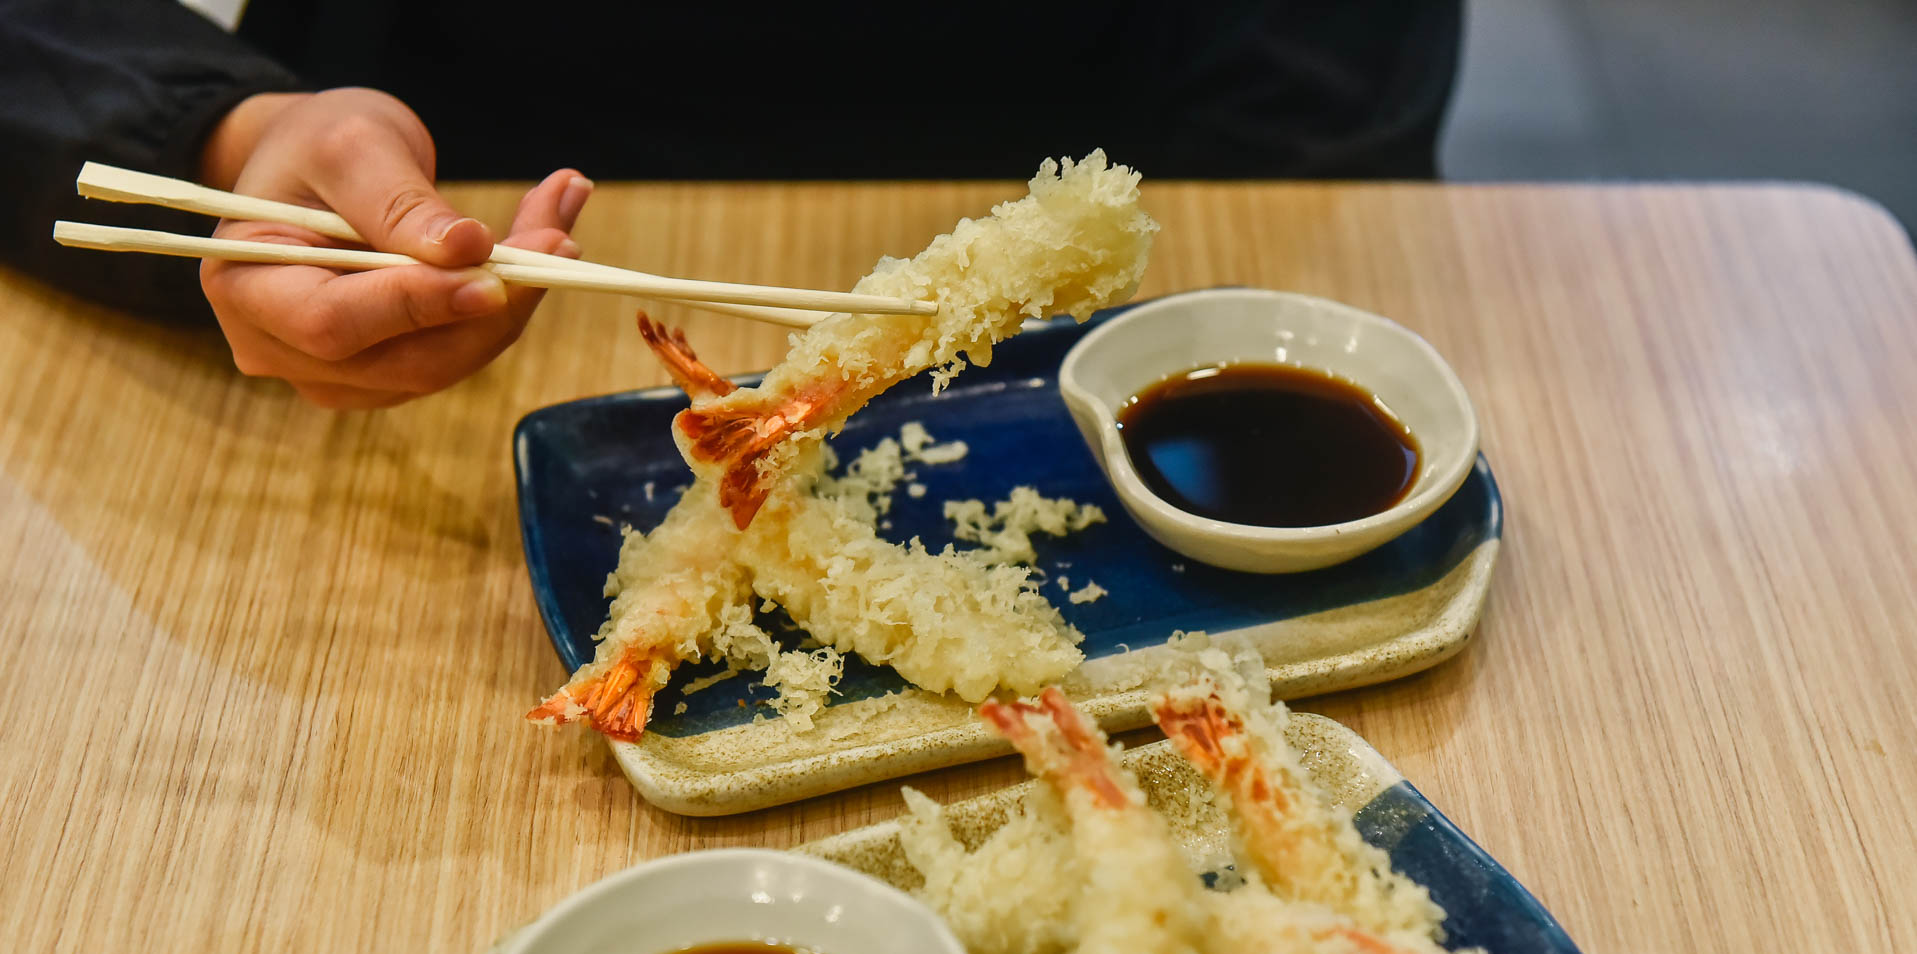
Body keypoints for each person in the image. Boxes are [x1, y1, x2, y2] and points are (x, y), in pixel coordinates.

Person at [0, 0, 1462, 408]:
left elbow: (1320, 98)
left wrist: (1271, 200)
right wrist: (237, 131)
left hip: (1096, 175)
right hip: (446, 183)